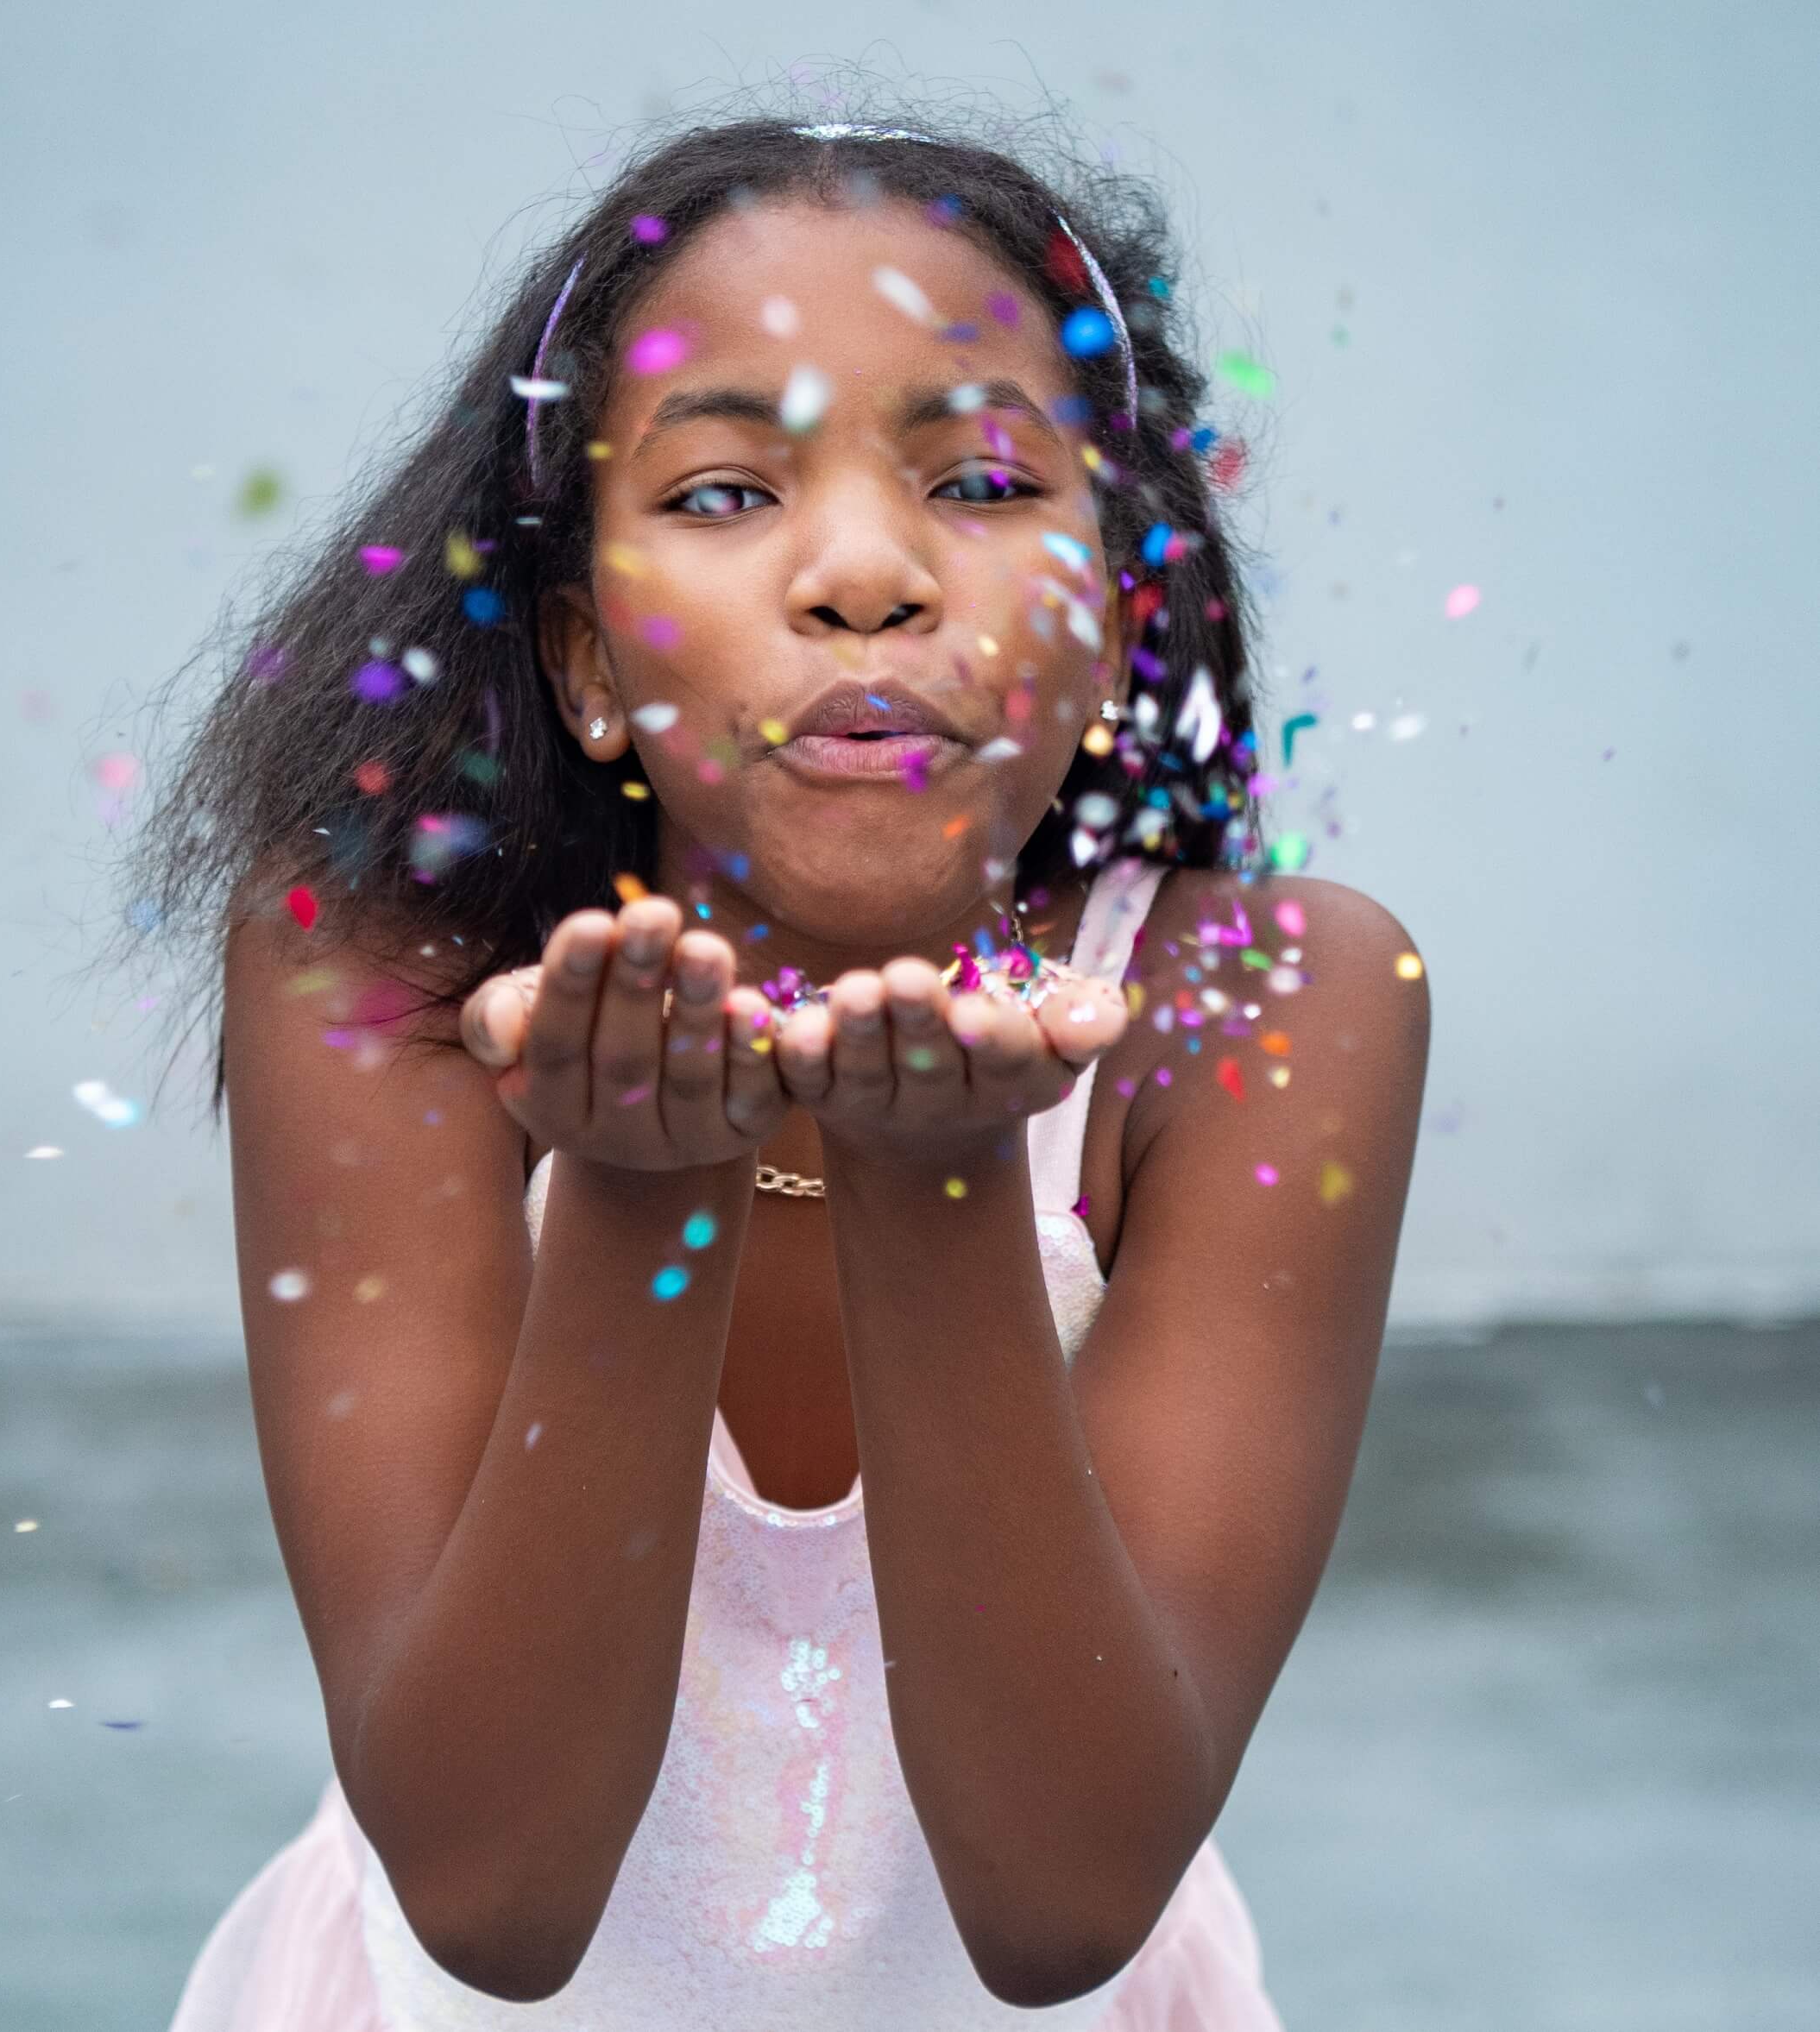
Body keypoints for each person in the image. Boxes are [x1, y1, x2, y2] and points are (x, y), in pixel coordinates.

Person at [139, 93, 1430, 2032]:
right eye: (727, 492)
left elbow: (1061, 1897)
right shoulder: (375, 975)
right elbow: (492, 1892)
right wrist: (642, 1186)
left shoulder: (1265, 1001)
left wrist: (935, 1176)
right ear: (580, 656)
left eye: (985, 484)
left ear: (1114, 621)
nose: (860, 575)